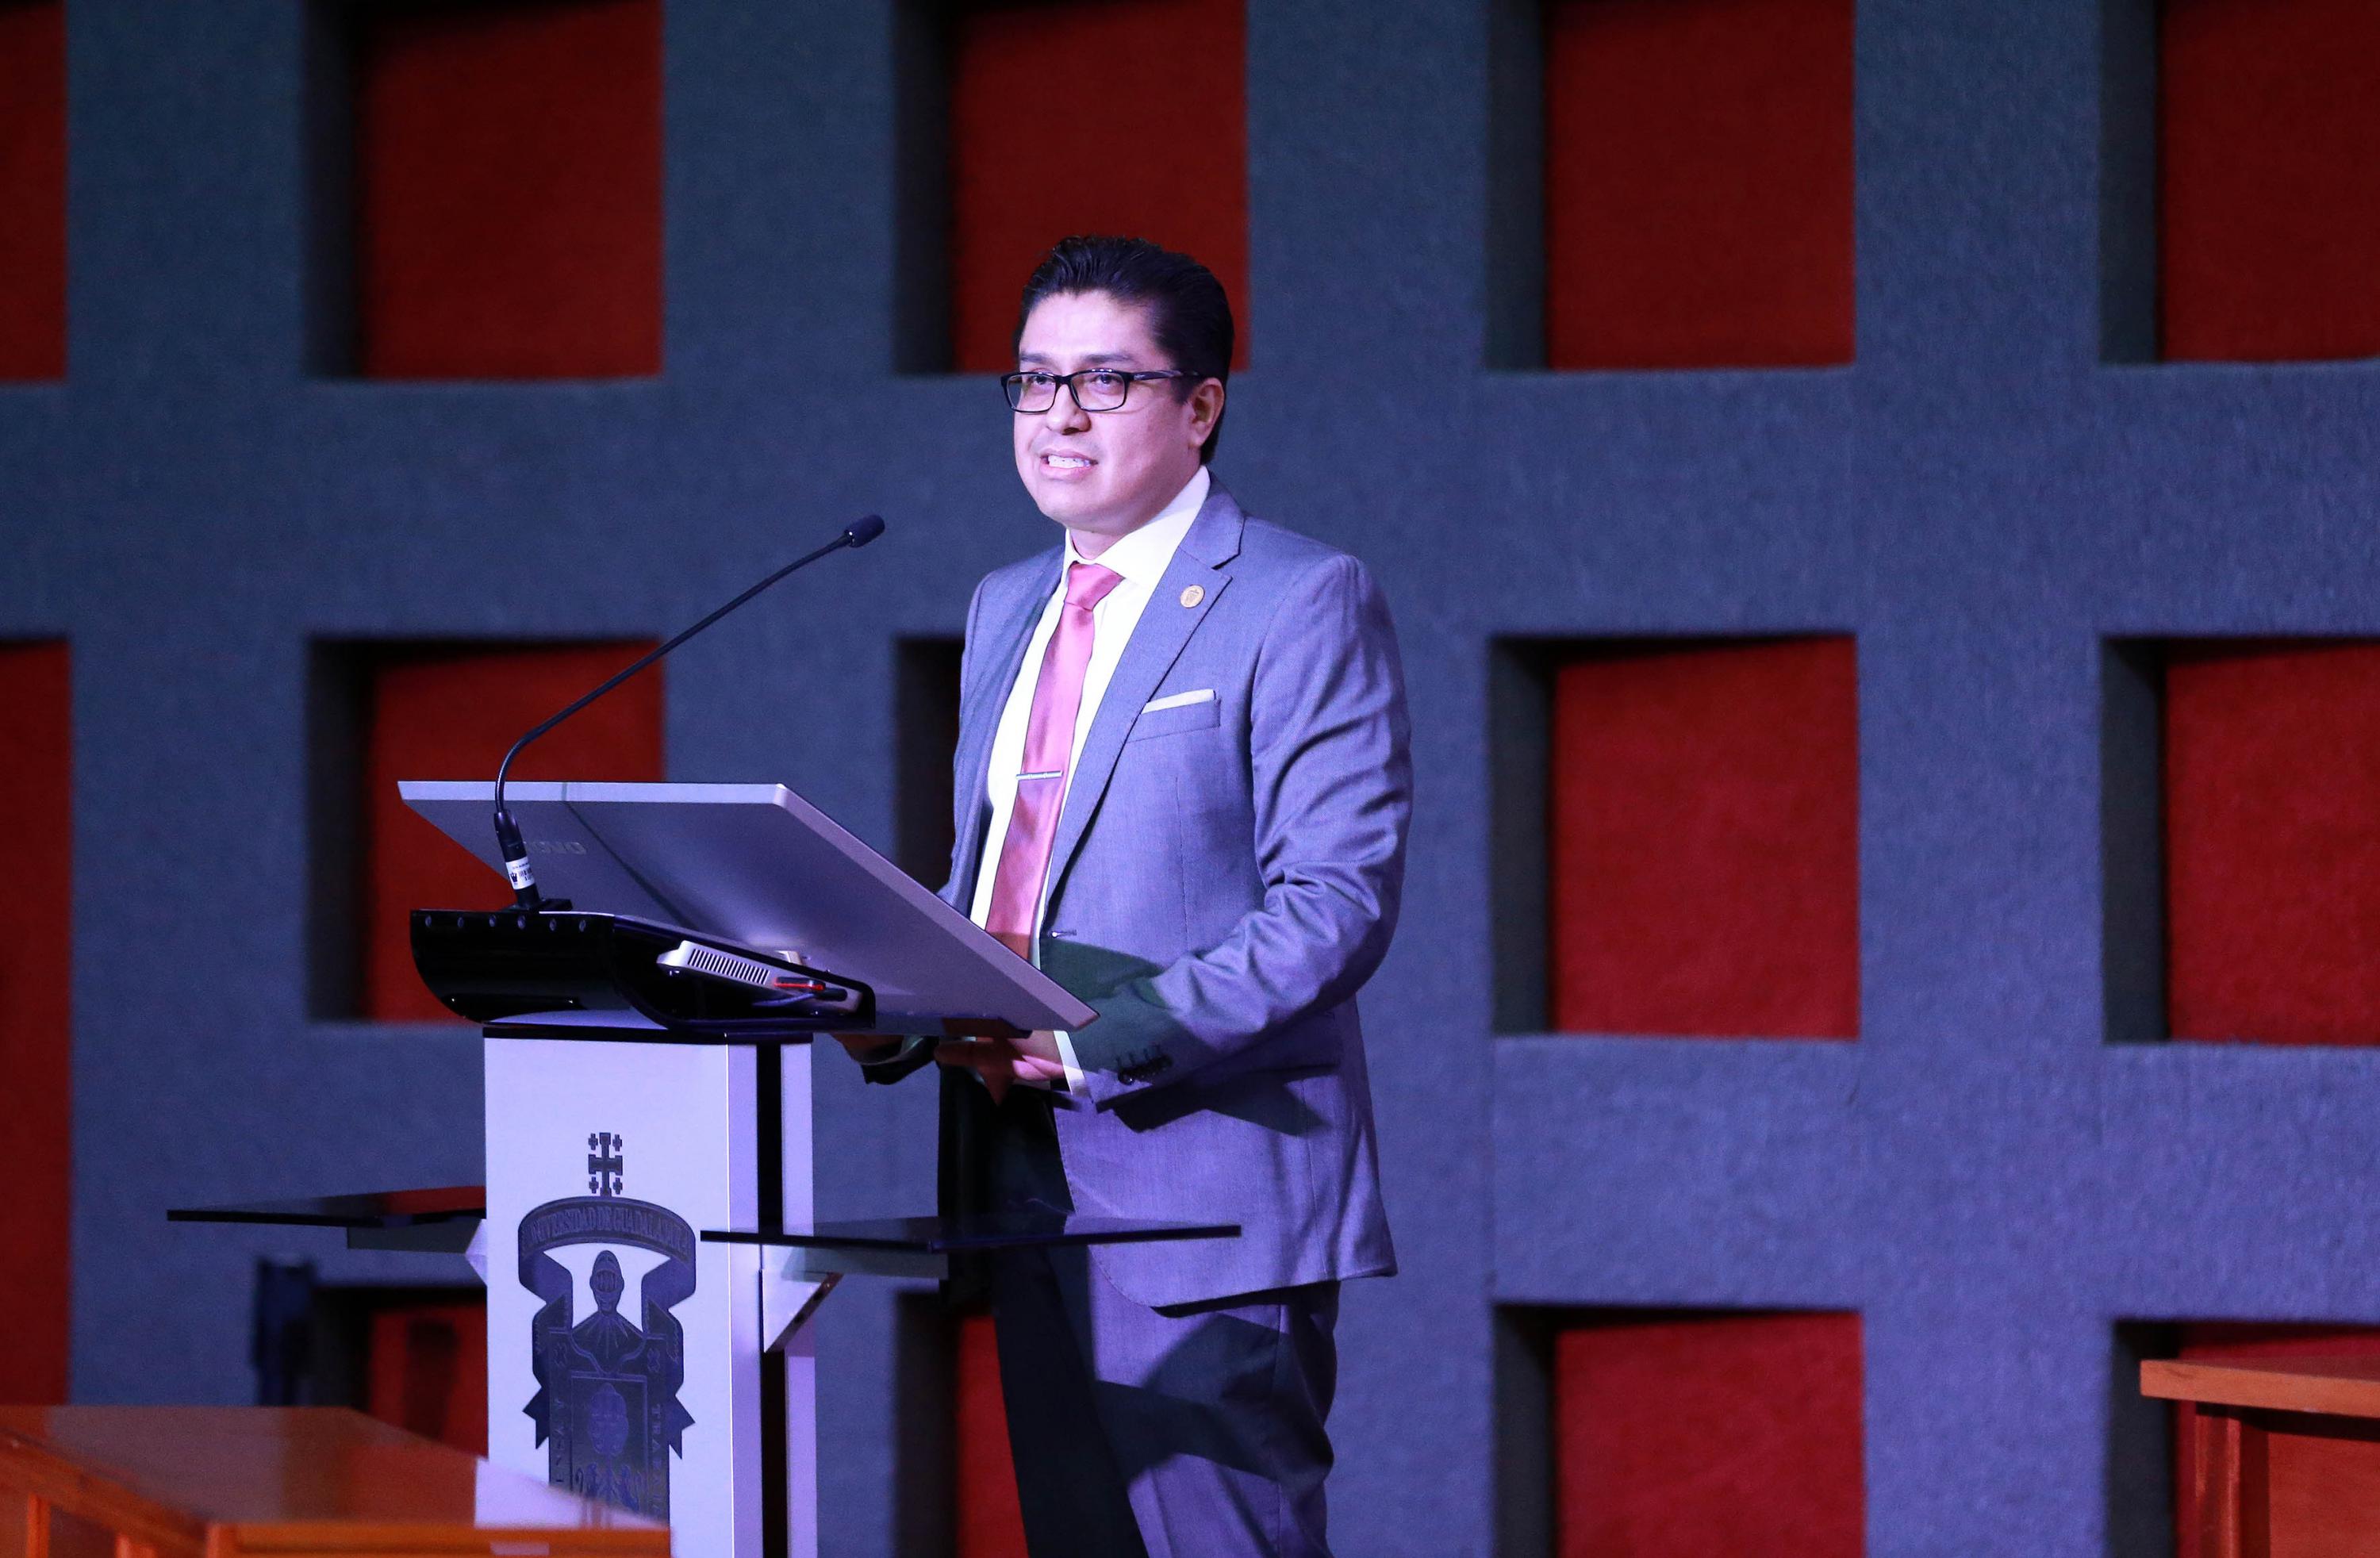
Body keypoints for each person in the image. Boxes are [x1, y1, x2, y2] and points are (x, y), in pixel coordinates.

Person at [838, 234, 1410, 1558]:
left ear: (1202, 404)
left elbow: (1336, 903)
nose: (1060, 418)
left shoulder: (1298, 597)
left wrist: (1091, 1039)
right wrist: (860, 981)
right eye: (1034, 383)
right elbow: (990, 881)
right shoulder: (1006, 604)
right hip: (1021, 1175)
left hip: (1203, 1184)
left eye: (1105, 381)